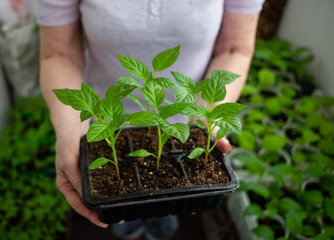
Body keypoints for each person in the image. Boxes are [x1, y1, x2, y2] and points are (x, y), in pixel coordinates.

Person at [34, 0, 264, 239]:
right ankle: (129, 230)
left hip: (185, 126)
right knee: (120, 206)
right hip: (106, 121)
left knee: (166, 206)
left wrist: (209, 112)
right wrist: (69, 121)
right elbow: (59, 52)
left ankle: (160, 231)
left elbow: (234, 48)